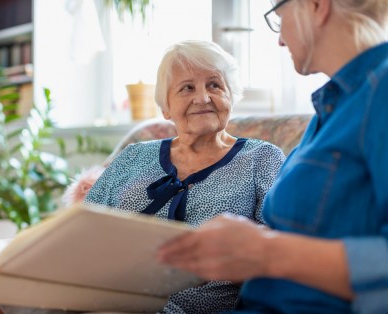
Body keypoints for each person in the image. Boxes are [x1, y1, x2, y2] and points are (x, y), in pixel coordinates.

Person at [0, 40, 285, 314]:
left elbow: (273, 247)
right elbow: (79, 227)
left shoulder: (261, 157)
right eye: (187, 88)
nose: (202, 97)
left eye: (214, 85)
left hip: (184, 305)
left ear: (232, 96)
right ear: (166, 108)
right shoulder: (135, 155)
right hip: (99, 287)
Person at [157, 1, 388, 313]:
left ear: (317, 6)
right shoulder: (332, 108)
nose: (280, 39)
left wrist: (264, 251)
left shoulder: (381, 92)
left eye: (279, 18)